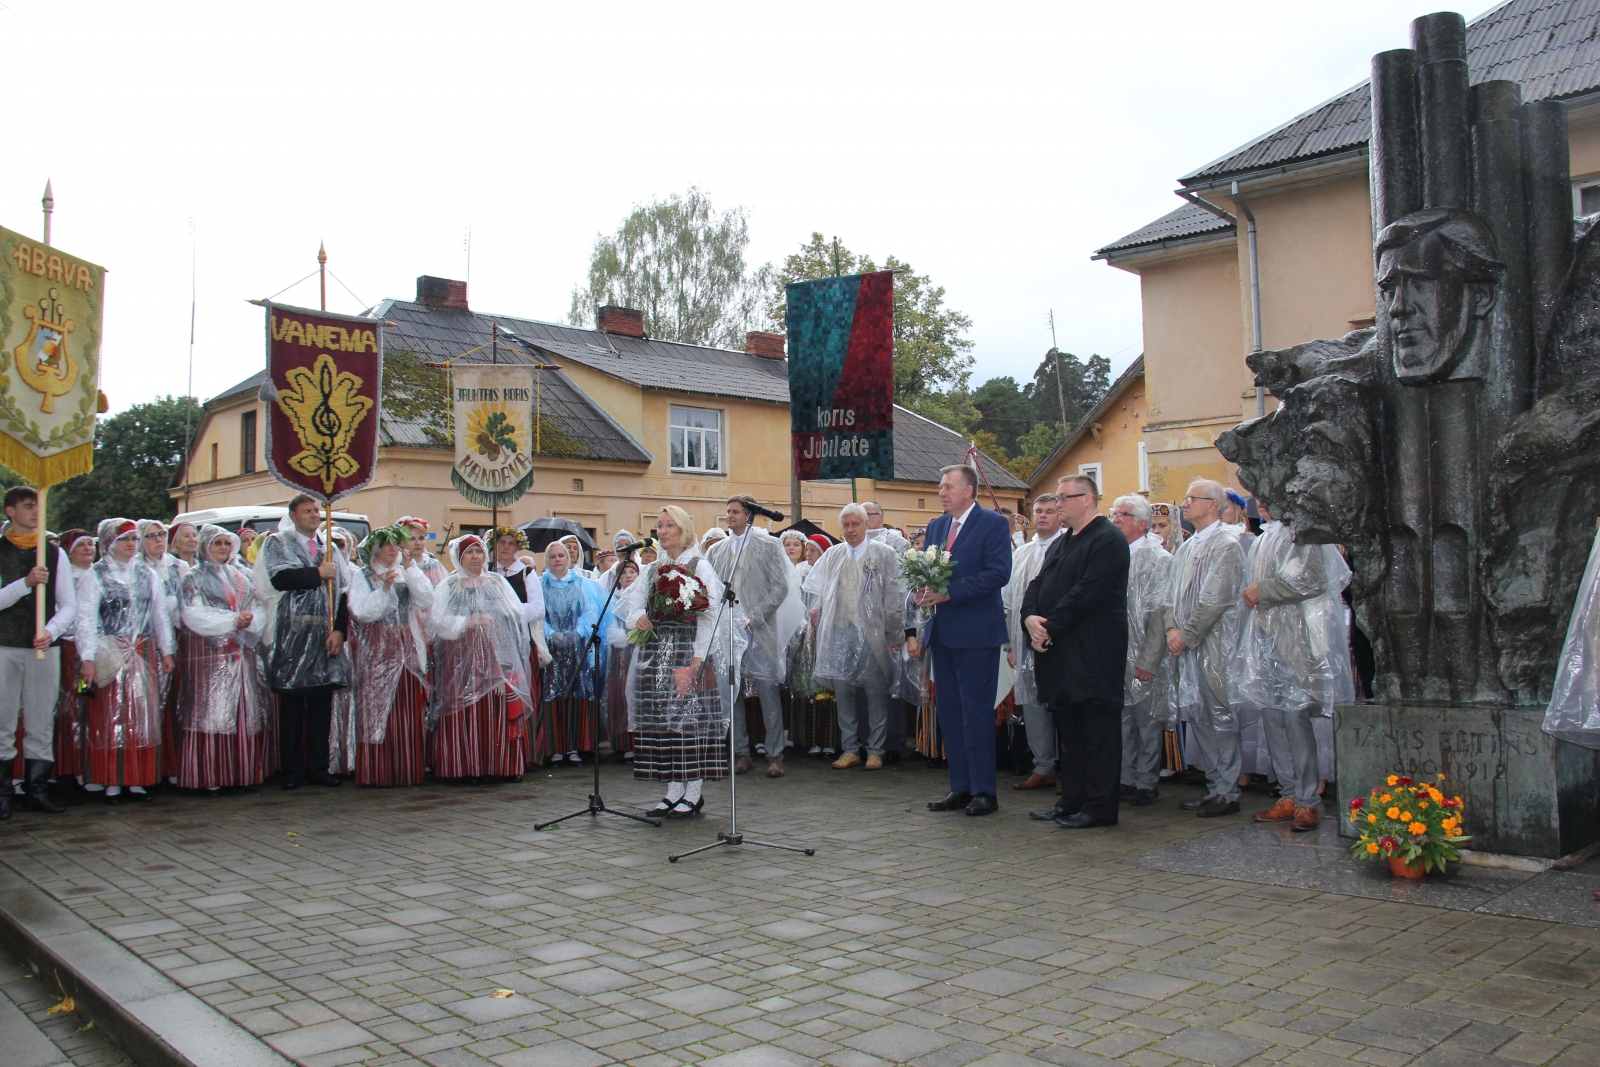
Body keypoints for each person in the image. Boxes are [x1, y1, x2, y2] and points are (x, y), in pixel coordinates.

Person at [1236, 502, 1355, 832]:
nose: (1261, 500)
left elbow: (1317, 578)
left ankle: (1307, 801)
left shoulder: (1305, 532)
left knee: (1295, 717)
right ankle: (1287, 794)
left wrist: (1266, 590)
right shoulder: (1263, 538)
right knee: (1272, 717)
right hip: (1266, 639)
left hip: (1297, 639)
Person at [1021, 475, 1130, 829]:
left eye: (1064, 498)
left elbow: (1087, 593)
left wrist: (1048, 625)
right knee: (1070, 733)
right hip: (1060, 653)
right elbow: (1037, 583)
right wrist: (1029, 619)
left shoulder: (1108, 539)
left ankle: (1099, 807)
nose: (1058, 505)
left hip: (1094, 653)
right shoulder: (1064, 540)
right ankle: (1072, 800)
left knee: (1097, 733)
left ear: (1088, 499)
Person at [916, 465, 1012, 816]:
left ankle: (985, 790)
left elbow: (998, 572)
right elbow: (929, 570)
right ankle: (960, 786)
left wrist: (949, 594)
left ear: (969, 490)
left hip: (976, 634)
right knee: (951, 715)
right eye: (940, 486)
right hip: (942, 633)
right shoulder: (937, 526)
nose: (941, 492)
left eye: (947, 487)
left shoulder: (993, 523)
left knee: (975, 714)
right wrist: (923, 590)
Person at [619, 505, 726, 818]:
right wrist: (638, 617)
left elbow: (710, 614)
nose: (662, 531)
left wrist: (698, 657)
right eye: (659, 526)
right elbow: (633, 604)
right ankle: (672, 789)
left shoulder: (699, 565)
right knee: (662, 721)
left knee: (689, 720)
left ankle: (693, 792)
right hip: (657, 655)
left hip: (688, 652)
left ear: (682, 529)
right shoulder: (652, 569)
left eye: (668, 525)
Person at [1164, 479, 1247, 818]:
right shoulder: (1186, 547)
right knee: (1199, 715)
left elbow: (1216, 598)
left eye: (1191, 498)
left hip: (1216, 645)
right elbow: (1168, 594)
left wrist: (1187, 634)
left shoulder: (1227, 544)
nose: (1184, 504)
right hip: (1187, 645)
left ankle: (1228, 790)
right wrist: (1171, 627)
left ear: (1213, 504)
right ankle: (1214, 786)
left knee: (1221, 717)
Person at [76, 519, 175, 803]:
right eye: (124, 540)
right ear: (108, 543)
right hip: (109, 653)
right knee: (109, 718)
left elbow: (160, 616)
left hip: (142, 651)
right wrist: (87, 658)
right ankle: (111, 779)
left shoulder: (147, 574)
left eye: (133, 539)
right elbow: (86, 619)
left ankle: (138, 779)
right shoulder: (95, 575)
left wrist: (166, 651)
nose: (131, 544)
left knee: (142, 716)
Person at [254, 495, 349, 790]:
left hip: (323, 635)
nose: (313, 515)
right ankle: (293, 769)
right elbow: (279, 579)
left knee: (321, 705)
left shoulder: (328, 547)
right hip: (292, 635)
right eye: (306, 510)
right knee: (293, 706)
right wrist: (317, 574)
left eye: (316, 510)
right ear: (292, 515)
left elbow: (344, 590)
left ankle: (319, 767)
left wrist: (339, 630)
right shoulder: (277, 543)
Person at [706, 496, 804, 777]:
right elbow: (712, 590)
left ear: (749, 515)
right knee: (732, 690)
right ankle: (741, 752)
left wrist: (755, 616)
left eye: (735, 511)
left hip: (759, 630)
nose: (729, 516)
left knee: (767, 690)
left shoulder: (769, 545)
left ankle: (775, 754)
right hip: (728, 630)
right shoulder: (718, 550)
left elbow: (780, 588)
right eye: (727, 511)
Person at [804, 504, 904, 771]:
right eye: (846, 525)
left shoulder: (885, 554)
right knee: (844, 693)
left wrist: (894, 634)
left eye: (855, 524)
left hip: (872, 634)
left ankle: (876, 750)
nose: (850, 530)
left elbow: (894, 598)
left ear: (866, 525)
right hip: (839, 632)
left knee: (875, 692)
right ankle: (850, 748)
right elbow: (822, 594)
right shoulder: (834, 554)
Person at [427, 535, 532, 782]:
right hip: (461, 661)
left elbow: (516, 613)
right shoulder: (449, 585)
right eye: (469, 552)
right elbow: (438, 622)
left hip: (495, 656)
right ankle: (465, 767)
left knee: (494, 710)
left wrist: (497, 620)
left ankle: (500, 766)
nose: (475, 556)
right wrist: (466, 622)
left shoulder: (497, 582)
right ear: (459, 557)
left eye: (478, 551)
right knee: (465, 710)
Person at [176, 526, 271, 796]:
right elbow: (191, 613)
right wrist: (232, 620)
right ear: (206, 545)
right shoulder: (193, 578)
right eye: (216, 543)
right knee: (211, 713)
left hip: (241, 657)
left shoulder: (240, 575)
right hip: (208, 658)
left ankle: (240, 773)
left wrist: (250, 621)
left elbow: (257, 606)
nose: (222, 548)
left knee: (242, 713)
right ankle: (210, 776)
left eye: (227, 543)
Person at [0, 487, 76, 818]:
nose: (35, 512)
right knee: (2, 720)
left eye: (38, 507)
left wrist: (51, 631)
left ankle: (37, 790)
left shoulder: (53, 553)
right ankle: (3, 793)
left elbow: (68, 604)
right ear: (10, 511)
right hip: (4, 645)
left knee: (41, 720)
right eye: (28, 506)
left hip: (42, 646)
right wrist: (25, 583)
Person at [347, 525, 435, 787]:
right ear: (375, 548)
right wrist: (383, 590)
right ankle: (378, 771)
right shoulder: (363, 576)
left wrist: (411, 570)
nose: (392, 549)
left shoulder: (405, 573)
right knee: (376, 708)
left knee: (405, 707)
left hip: (404, 647)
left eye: (396, 545)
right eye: (386, 545)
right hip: (377, 648)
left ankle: (406, 769)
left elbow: (426, 597)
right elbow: (362, 612)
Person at [1109, 495, 1174, 807]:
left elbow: (1162, 613)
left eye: (1123, 514)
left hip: (1145, 652)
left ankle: (1147, 781)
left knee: (1147, 718)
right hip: (1114, 650)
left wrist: (1149, 659)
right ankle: (1124, 776)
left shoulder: (1158, 559)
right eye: (1113, 513)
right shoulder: (1110, 553)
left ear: (1141, 522)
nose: (1115, 519)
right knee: (1121, 718)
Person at [1002, 494, 1062, 791]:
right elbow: (1010, 602)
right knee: (1033, 703)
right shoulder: (1021, 553)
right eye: (1038, 510)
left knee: (1062, 703)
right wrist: (1011, 645)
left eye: (1050, 511)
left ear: (1060, 516)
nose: (1042, 516)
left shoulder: (1067, 548)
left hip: (1058, 638)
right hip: (1023, 639)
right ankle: (1043, 766)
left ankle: (1071, 767)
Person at [540, 540, 605, 765]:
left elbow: (590, 612)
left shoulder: (581, 584)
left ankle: (575, 746)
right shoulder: (541, 585)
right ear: (547, 560)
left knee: (578, 694)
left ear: (569, 559)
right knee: (552, 694)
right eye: (553, 556)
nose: (557, 559)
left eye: (561, 555)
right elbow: (539, 616)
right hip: (551, 650)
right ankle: (556, 747)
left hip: (577, 648)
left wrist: (577, 632)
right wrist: (551, 634)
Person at [139, 520, 187, 786]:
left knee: (174, 704)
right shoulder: (139, 570)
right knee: (149, 705)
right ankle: (150, 768)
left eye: (161, 535)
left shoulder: (178, 567)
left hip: (175, 639)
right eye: (150, 536)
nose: (158, 540)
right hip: (148, 643)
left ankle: (173, 765)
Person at [54, 529, 94, 790]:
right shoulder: (63, 578)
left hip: (90, 652)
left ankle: (85, 762)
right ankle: (68, 765)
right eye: (82, 545)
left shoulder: (98, 576)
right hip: (70, 650)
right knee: (69, 705)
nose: (89, 548)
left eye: (91, 544)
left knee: (86, 705)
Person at [603, 558, 642, 761]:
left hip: (641, 654)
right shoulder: (612, 601)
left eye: (632, 571)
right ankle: (625, 743)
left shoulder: (644, 599)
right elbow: (611, 634)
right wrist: (632, 636)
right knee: (622, 699)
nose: (628, 575)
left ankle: (641, 742)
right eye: (624, 572)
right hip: (621, 659)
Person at [397, 517, 447, 585]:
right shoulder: (396, 566)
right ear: (402, 542)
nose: (418, 543)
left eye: (421, 538)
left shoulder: (434, 565)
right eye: (411, 539)